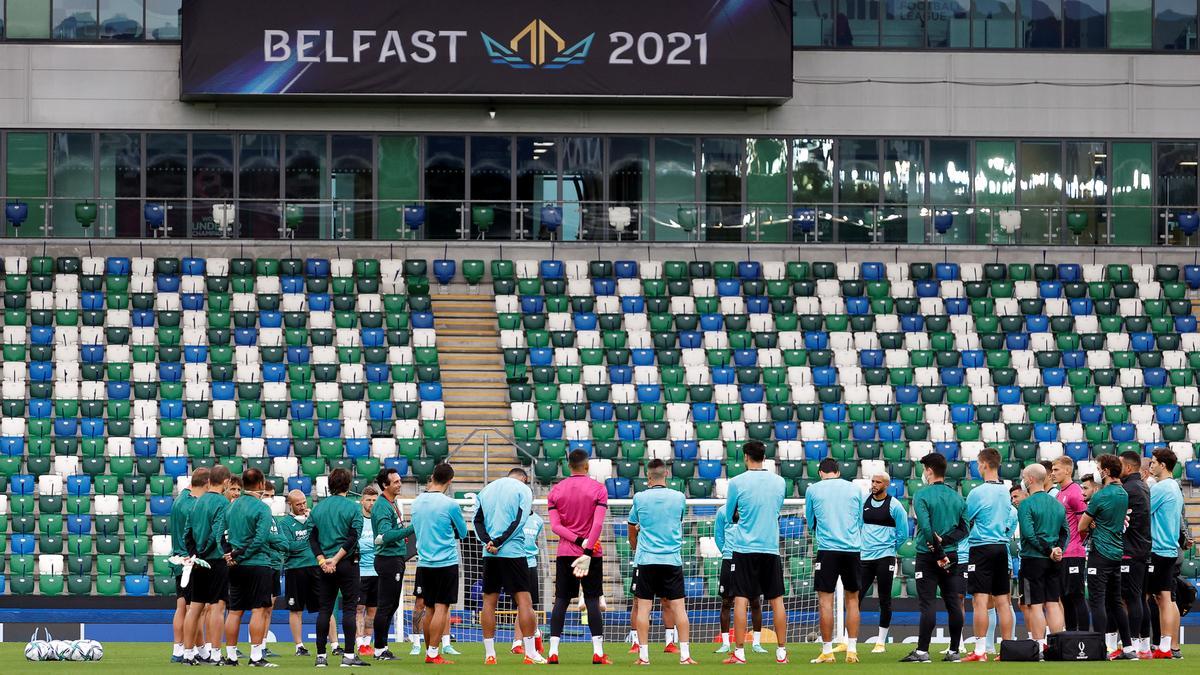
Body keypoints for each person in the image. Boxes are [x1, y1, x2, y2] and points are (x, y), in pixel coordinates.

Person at [723, 440, 789, 665]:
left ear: (745, 457)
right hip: (770, 547)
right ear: (764, 457)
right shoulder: (780, 482)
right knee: (776, 600)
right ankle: (781, 652)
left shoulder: (737, 482)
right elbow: (776, 510)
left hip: (744, 548)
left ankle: (740, 652)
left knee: (741, 599)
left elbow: (729, 514)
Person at [900, 453, 967, 663]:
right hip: (952, 554)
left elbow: (926, 528)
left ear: (929, 470)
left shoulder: (922, 494)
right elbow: (964, 528)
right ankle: (954, 651)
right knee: (953, 603)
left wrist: (938, 552)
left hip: (928, 556)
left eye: (924, 469)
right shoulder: (957, 497)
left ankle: (922, 652)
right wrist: (946, 543)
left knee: (927, 603)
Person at [627, 459, 695, 665]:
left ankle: (644, 656)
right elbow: (678, 520)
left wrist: (634, 544)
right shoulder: (679, 497)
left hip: (647, 560)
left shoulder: (640, 498)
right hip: (671, 560)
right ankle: (685, 656)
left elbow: (631, 525)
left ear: (648, 476)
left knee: (644, 608)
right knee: (679, 609)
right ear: (666, 474)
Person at [546, 449, 611, 665]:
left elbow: (555, 526)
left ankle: (553, 652)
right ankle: (598, 653)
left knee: (561, 601)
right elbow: (598, 524)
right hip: (591, 554)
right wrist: (588, 548)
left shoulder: (556, 490)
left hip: (565, 553)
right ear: (587, 466)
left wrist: (577, 541)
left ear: (568, 466)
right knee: (592, 599)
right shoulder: (598, 489)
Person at [474, 468, 545, 665]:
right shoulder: (523, 490)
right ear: (524, 479)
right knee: (525, 601)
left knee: (488, 602)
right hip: (513, 552)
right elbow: (520, 520)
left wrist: (488, 542)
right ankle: (530, 653)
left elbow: (476, 521)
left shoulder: (486, 490)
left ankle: (490, 654)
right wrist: (500, 541)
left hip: (490, 554)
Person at [805, 457, 864, 664]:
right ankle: (852, 650)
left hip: (828, 550)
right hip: (852, 549)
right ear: (838, 472)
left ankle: (828, 651)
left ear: (821, 473)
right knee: (853, 600)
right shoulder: (855, 489)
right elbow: (860, 520)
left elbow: (811, 521)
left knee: (825, 602)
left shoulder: (813, 490)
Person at [309, 468, 369, 668]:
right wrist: (335, 560)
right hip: (347, 563)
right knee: (349, 609)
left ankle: (320, 657)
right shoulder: (353, 508)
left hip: (324, 564)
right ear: (349, 485)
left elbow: (312, 537)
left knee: (325, 610)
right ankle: (349, 656)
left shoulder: (318, 508)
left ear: (330, 485)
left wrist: (323, 560)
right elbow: (352, 538)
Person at [411, 462, 468, 664]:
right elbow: (462, 532)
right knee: (441, 608)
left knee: (429, 609)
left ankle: (430, 651)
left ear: (432, 476)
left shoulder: (416, 502)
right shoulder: (450, 504)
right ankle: (434, 653)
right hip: (445, 562)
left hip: (424, 563)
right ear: (450, 481)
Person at [222, 468, 280, 667]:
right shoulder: (262, 508)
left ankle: (231, 656)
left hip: (235, 566)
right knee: (258, 610)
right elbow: (261, 538)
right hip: (257, 564)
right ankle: (255, 657)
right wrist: (240, 554)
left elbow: (220, 535)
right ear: (262, 484)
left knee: (235, 611)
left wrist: (229, 555)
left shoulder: (230, 506)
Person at [962, 448, 1015, 662]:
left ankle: (980, 650)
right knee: (1003, 601)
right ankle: (1008, 649)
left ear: (984, 464)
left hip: (981, 548)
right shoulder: (1006, 490)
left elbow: (965, 518)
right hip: (1001, 548)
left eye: (978, 463)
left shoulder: (978, 492)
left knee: (980, 601)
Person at [1079, 454, 1130, 660]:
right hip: (1117, 552)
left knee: (1097, 601)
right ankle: (1128, 647)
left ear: (1107, 471)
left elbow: (1082, 525)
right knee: (1116, 601)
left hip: (1099, 552)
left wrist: (1092, 523)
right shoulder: (1123, 493)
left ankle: (1099, 648)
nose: (1098, 472)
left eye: (1100, 468)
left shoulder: (1100, 495)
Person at [182, 465, 232, 665]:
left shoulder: (196, 501)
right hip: (215, 560)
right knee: (217, 608)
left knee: (194, 608)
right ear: (227, 482)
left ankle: (187, 654)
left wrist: (194, 555)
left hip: (197, 562)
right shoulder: (223, 503)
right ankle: (215, 654)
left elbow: (187, 533)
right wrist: (203, 554)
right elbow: (217, 532)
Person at [1016, 464, 1068, 652]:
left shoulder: (1026, 505)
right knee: (1053, 603)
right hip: (1054, 560)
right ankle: (1057, 646)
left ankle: (1038, 647)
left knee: (1036, 606)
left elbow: (1029, 535)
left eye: (1024, 477)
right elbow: (1065, 532)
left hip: (1033, 559)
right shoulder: (1057, 503)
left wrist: (1047, 550)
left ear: (1030, 480)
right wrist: (1058, 550)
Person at [858, 470, 908, 654]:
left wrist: (890, 548)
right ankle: (850, 641)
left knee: (885, 599)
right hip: (865, 557)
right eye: (872, 481)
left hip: (885, 557)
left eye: (878, 482)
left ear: (886, 485)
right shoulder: (863, 501)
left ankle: (880, 642)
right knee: (856, 597)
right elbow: (858, 525)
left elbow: (903, 533)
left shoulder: (894, 506)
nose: (874, 485)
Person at [370, 467, 415, 661]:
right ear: (385, 485)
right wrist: (412, 529)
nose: (400, 484)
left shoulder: (390, 503)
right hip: (388, 559)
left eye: (399, 480)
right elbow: (385, 536)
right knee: (386, 606)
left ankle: (382, 647)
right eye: (395, 481)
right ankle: (379, 648)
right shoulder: (382, 506)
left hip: (393, 558)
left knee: (390, 606)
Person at [713, 500, 765, 655]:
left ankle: (756, 643)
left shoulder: (750, 508)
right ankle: (725, 643)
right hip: (729, 559)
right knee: (726, 602)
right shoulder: (722, 511)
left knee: (754, 600)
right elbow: (718, 535)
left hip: (749, 558)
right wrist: (726, 552)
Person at [1147, 448, 1185, 659]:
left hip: (1158, 548)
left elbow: (1142, 511)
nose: (1150, 466)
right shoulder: (1175, 487)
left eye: (1153, 462)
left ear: (1162, 465)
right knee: (1167, 598)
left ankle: (1163, 645)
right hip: (1169, 548)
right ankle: (1171, 645)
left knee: (1161, 598)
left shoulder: (1161, 487)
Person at [169, 468, 209, 663]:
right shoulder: (192, 505)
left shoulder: (179, 499)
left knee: (182, 606)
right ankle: (191, 649)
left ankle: (180, 649)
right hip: (190, 560)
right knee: (196, 609)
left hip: (178, 558)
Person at [1117, 450, 1152, 658]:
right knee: (1138, 597)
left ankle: (1131, 647)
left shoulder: (1129, 489)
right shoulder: (1142, 486)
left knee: (1131, 598)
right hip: (1141, 549)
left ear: (1128, 468)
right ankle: (1142, 646)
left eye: (1120, 465)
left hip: (1131, 551)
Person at [1050, 456, 1090, 631]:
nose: (1052, 473)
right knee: (1065, 597)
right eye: (1052, 470)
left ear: (1067, 470)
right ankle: (1072, 637)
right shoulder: (1060, 493)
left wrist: (1076, 543)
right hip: (1063, 554)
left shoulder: (1074, 491)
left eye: (1056, 469)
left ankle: (1084, 638)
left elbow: (1085, 524)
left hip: (1074, 553)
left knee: (1076, 596)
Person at [512, 507, 545, 656]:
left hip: (531, 565)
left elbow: (534, 542)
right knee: (521, 605)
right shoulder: (513, 517)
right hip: (515, 564)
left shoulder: (538, 520)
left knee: (527, 606)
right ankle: (525, 640)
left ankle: (524, 640)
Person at [355, 485, 380, 657]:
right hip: (360, 571)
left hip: (377, 571)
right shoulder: (357, 520)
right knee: (359, 608)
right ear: (362, 501)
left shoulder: (379, 520)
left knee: (373, 609)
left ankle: (367, 642)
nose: (371, 503)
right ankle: (359, 643)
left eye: (374, 500)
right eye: (368, 500)